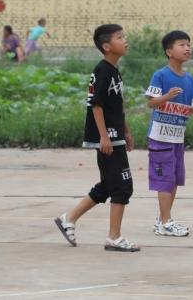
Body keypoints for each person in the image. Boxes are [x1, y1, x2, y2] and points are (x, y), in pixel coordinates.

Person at [54, 24, 139, 252]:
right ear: (107, 46)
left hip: (115, 135)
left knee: (109, 185)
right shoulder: (102, 70)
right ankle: (114, 237)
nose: (125, 40)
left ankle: (68, 218)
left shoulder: (114, 70)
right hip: (107, 138)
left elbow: (116, 106)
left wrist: (126, 131)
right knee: (122, 187)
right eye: (120, 37)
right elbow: (96, 105)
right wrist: (104, 136)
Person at [145, 30, 193, 236]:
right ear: (169, 51)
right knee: (165, 179)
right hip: (160, 137)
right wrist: (166, 96)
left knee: (174, 179)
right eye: (182, 45)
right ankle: (166, 222)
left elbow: (192, 107)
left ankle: (162, 220)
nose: (187, 48)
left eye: (188, 44)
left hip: (177, 137)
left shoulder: (189, 79)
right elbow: (151, 103)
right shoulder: (161, 75)